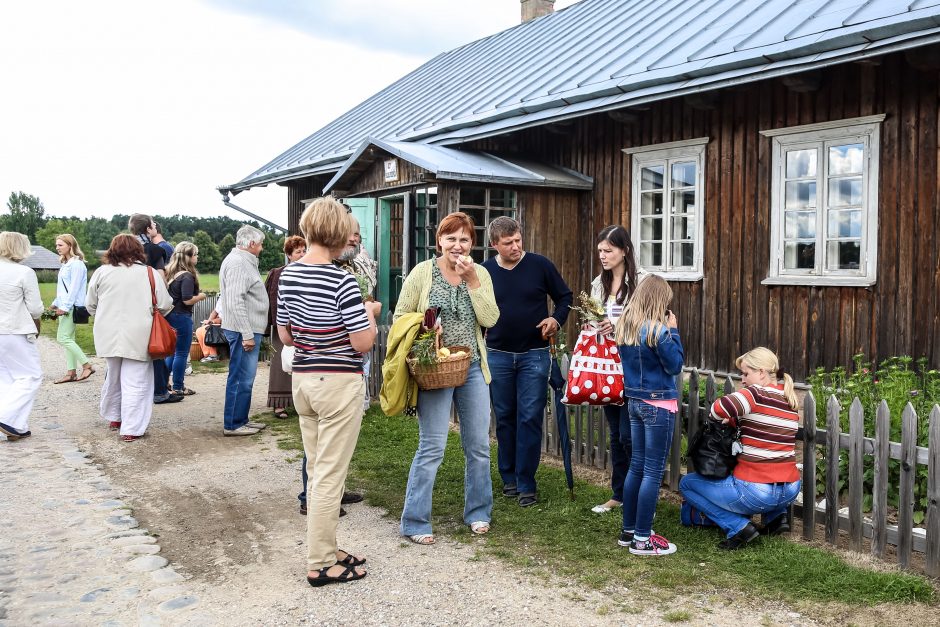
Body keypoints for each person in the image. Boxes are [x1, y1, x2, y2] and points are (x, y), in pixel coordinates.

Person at [276, 196, 381, 587]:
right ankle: (320, 562)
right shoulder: (341, 281)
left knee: (319, 467)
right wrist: (369, 316)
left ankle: (328, 547)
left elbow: (285, 334)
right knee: (329, 477)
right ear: (338, 233)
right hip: (337, 382)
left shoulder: (288, 275)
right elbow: (362, 343)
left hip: (303, 381)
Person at [397, 212, 500, 544]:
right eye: (451, 238)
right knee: (432, 446)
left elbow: (491, 319)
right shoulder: (422, 272)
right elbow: (401, 315)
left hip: (469, 367)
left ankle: (479, 512)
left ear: (473, 243)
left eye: (465, 239)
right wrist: (427, 323)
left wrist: (472, 282)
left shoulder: (480, 272)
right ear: (439, 240)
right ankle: (415, 520)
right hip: (434, 367)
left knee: (479, 445)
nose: (458, 245)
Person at [482, 216, 571, 507]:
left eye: (518, 240)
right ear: (494, 244)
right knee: (505, 418)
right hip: (497, 355)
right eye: (508, 243)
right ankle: (508, 478)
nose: (516, 246)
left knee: (530, 417)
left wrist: (555, 320)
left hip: (535, 353)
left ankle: (527, 483)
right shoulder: (483, 272)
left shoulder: (540, 265)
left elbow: (565, 297)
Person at [679, 347, 801, 550]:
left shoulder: (755, 394)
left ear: (761, 372)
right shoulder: (789, 399)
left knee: (687, 484)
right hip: (790, 490)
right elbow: (763, 426)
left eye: (746, 373)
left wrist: (722, 418)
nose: (742, 380)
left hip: (757, 491)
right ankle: (777, 518)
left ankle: (739, 527)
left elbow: (718, 408)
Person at [615, 274, 683, 556]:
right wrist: (675, 331)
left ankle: (628, 530)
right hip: (658, 405)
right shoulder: (660, 332)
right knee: (653, 472)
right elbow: (675, 365)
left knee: (637, 467)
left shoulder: (626, 329)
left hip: (634, 402)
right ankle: (642, 539)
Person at [86, 234, 173, 441]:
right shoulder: (149, 273)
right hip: (140, 333)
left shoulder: (101, 272)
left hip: (108, 332)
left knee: (114, 375)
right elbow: (165, 304)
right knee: (136, 380)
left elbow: (90, 304)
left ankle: (115, 416)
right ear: (137, 250)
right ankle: (131, 427)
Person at [590, 225, 643, 514]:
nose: (603, 255)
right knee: (614, 434)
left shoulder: (642, 282)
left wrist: (620, 326)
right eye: (600, 251)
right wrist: (591, 325)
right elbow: (594, 317)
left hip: (633, 366)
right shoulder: (599, 283)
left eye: (608, 250)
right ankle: (619, 495)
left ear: (624, 250)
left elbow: (653, 322)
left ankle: (641, 495)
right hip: (606, 365)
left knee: (628, 435)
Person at [218, 225, 269, 436]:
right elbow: (235, 301)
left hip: (245, 329)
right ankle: (234, 424)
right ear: (250, 244)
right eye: (260, 244)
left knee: (245, 377)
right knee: (241, 377)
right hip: (242, 331)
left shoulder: (243, 261)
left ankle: (241, 419)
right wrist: (247, 334)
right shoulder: (239, 263)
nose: (262, 248)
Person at [127, 213, 179, 404]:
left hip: (126, 306)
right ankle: (159, 391)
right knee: (155, 348)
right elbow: (160, 281)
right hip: (150, 306)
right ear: (148, 229)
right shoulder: (155, 250)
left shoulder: (124, 250)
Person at [0, 232, 43, 441]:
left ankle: (17, 425)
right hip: (14, 329)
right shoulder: (24, 272)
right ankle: (6, 417)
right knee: (31, 375)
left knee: (6, 379)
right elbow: (35, 309)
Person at [265, 235, 306, 418]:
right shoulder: (278, 273)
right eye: (298, 252)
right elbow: (271, 299)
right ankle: (279, 404)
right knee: (280, 363)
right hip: (283, 325)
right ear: (289, 254)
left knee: (303, 363)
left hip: (304, 325)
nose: (302, 254)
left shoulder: (309, 272)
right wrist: (276, 323)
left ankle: (303, 403)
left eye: (305, 251)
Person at [51, 234, 95, 383]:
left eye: (60, 245)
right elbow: (64, 288)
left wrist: (65, 307)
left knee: (62, 337)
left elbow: (74, 289)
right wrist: (55, 303)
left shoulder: (76, 264)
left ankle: (87, 365)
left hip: (71, 307)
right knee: (69, 338)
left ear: (70, 245)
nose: (57, 248)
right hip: (64, 305)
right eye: (57, 245)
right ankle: (71, 373)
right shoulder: (66, 264)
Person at [164, 242, 206, 396]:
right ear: (188, 257)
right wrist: (201, 296)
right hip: (182, 317)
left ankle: (163, 383)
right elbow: (187, 299)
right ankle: (178, 386)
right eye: (195, 254)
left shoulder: (170, 273)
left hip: (170, 316)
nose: (197, 257)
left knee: (172, 353)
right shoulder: (187, 276)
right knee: (181, 353)